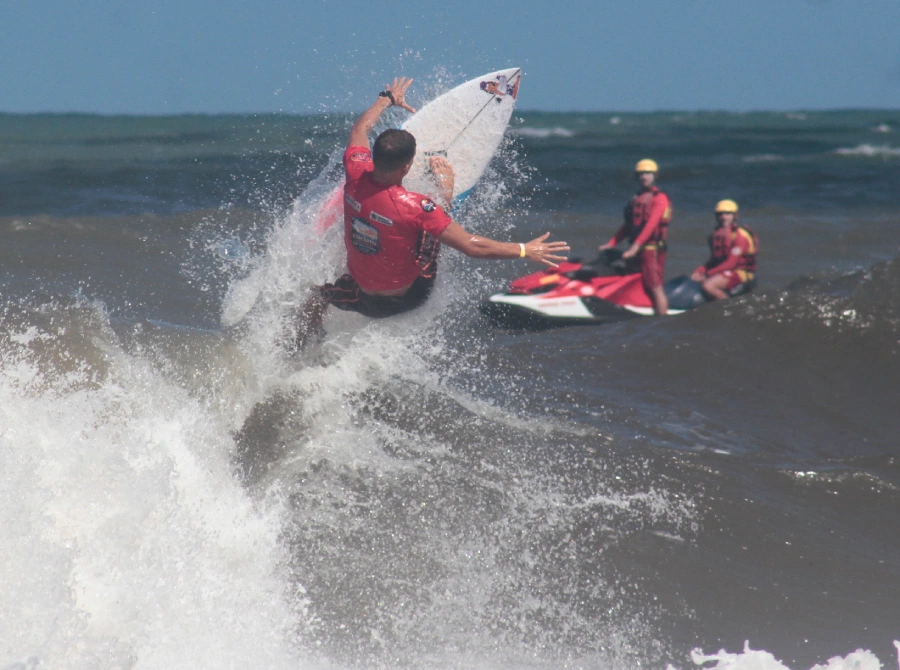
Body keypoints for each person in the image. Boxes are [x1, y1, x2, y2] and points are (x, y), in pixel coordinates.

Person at [295, 76, 570, 348]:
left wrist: (386, 100)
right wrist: (524, 250)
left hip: (361, 298)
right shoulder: (417, 206)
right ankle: (446, 198)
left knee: (317, 296)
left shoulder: (355, 173)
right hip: (412, 296)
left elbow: (359, 130)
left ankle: (302, 344)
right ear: (406, 166)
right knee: (430, 227)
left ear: (373, 157)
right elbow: (470, 245)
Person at [598, 159, 672, 315]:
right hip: (637, 249)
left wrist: (634, 248)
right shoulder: (636, 198)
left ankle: (663, 320)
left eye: (648, 173)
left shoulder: (660, 198)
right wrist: (611, 243)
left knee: (655, 286)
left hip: (651, 250)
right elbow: (628, 226)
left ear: (655, 175)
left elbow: (651, 225)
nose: (644, 177)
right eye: (641, 174)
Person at [690, 199, 758, 300]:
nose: (723, 217)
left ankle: (728, 305)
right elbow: (714, 260)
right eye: (720, 214)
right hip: (726, 271)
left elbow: (731, 264)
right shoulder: (715, 236)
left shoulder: (741, 236)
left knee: (708, 286)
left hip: (741, 273)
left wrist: (707, 274)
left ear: (735, 216)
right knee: (694, 279)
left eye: (727, 214)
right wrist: (700, 270)